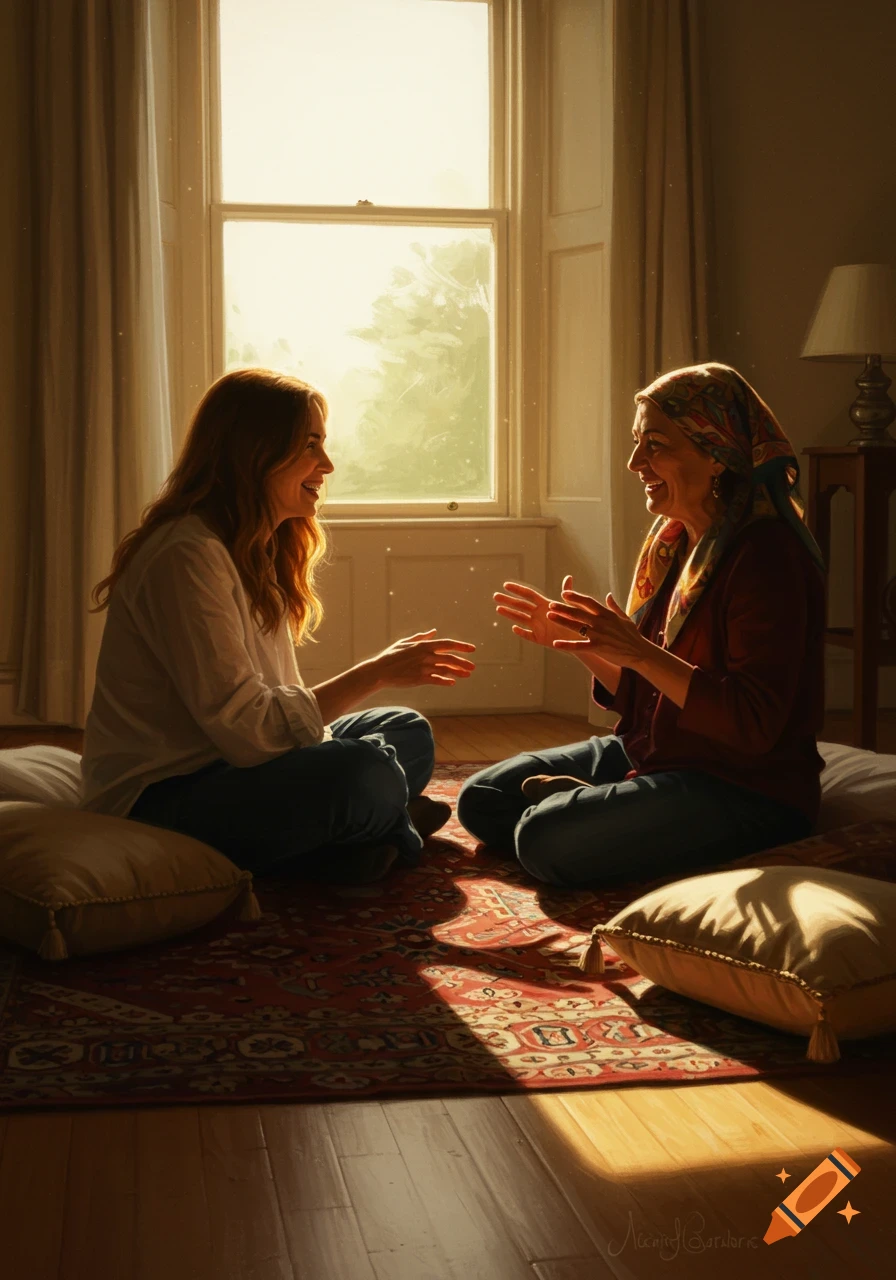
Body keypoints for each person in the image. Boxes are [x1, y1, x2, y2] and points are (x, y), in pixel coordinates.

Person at [81, 367, 476, 884]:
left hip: (236, 767)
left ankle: (366, 837)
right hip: (165, 795)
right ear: (255, 452)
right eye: (310, 445)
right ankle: (387, 834)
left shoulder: (252, 545)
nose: (327, 465)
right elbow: (248, 734)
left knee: (405, 731)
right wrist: (372, 674)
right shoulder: (187, 556)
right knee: (363, 773)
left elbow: (266, 726)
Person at [457, 362, 826, 889]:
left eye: (654, 444)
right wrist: (583, 644)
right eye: (636, 443)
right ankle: (601, 817)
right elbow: (647, 696)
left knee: (544, 838)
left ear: (717, 453)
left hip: (740, 787)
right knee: (482, 798)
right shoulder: (673, 543)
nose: (635, 462)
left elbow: (752, 723)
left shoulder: (767, 556)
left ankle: (590, 816)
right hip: (656, 754)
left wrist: (640, 653)